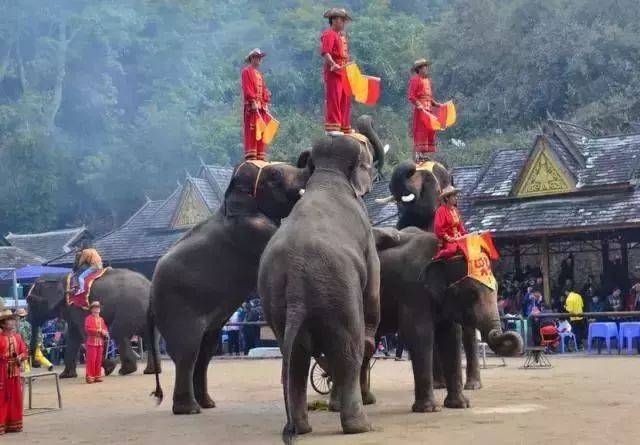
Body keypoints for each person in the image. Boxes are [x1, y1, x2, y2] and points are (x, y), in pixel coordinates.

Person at [320, 7, 352, 135]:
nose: (344, 23)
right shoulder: (329, 34)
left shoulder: (340, 36)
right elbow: (326, 52)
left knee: (345, 98)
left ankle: (344, 126)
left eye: (344, 20)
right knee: (334, 98)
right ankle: (333, 127)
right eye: (342, 20)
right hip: (334, 70)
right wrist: (333, 64)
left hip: (343, 70)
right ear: (334, 20)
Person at [408, 58, 443, 162]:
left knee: (429, 131)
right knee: (421, 132)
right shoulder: (415, 80)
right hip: (421, 111)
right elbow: (411, 96)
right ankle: (418, 154)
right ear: (419, 69)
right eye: (424, 67)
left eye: (426, 67)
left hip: (429, 111)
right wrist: (418, 104)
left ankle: (423, 154)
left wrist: (437, 104)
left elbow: (429, 97)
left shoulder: (428, 81)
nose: (426, 69)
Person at [0, 309, 28, 435]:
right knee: (3, 397)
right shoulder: (0, 338)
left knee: (15, 397)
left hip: (15, 371)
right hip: (2, 371)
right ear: (3, 324)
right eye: (8, 321)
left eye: (12, 320)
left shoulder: (18, 337)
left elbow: (24, 352)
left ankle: (14, 423)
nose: (11, 323)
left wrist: (20, 357)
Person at [241, 48, 271, 161]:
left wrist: (265, 103)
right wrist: (253, 101)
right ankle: (252, 155)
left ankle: (260, 155)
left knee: (262, 130)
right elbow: (247, 88)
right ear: (251, 58)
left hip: (261, 108)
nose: (259, 60)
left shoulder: (260, 75)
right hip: (252, 107)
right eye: (256, 57)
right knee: (253, 130)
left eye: (260, 58)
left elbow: (264, 90)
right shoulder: (246, 72)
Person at [434, 185, 467, 259]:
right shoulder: (441, 210)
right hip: (448, 240)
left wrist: (465, 235)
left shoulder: (455, 210)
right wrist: (448, 238)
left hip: (459, 238)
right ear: (447, 198)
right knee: (452, 250)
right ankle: (438, 257)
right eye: (454, 196)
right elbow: (438, 227)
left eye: (456, 196)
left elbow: (460, 226)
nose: (456, 198)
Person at [84, 301, 108, 383]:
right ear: (91, 309)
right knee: (91, 360)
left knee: (98, 360)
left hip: (100, 342)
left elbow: (105, 328)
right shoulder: (88, 318)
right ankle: (90, 376)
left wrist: (104, 332)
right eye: (95, 308)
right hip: (92, 341)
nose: (97, 309)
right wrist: (100, 331)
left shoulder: (101, 319)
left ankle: (97, 375)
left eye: (98, 308)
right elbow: (88, 329)